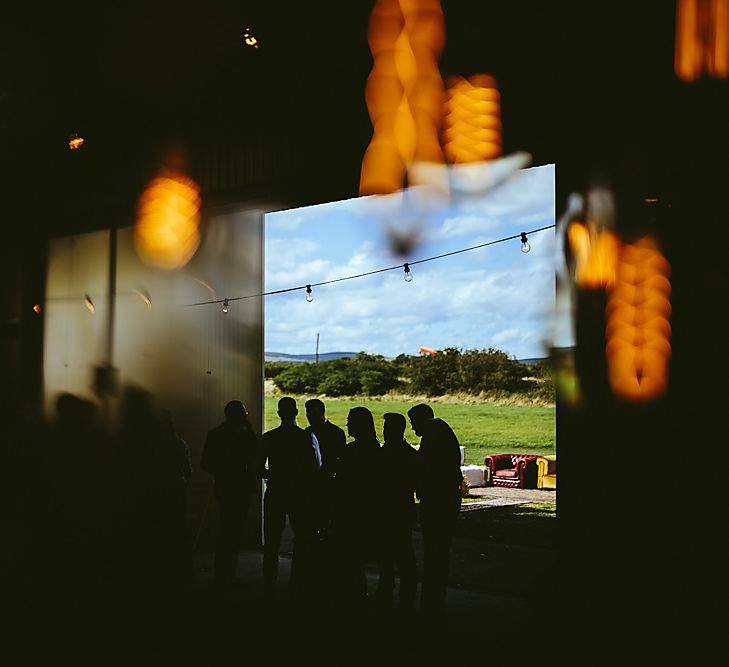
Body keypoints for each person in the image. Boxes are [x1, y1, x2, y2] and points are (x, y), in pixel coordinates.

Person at [260, 396, 321, 601]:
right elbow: (316, 467)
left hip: (276, 492)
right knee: (301, 539)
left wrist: (274, 475)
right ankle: (297, 583)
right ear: (296, 413)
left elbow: (258, 469)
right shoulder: (306, 437)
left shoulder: (269, 437)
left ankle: (269, 583)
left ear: (279, 413)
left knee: (272, 542)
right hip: (299, 494)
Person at [407, 403, 463, 623]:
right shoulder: (439, 429)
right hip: (446, 498)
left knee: (435, 547)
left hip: (439, 501)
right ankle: (434, 588)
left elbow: (424, 463)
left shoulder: (431, 431)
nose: (412, 428)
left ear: (421, 419)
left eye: (413, 423)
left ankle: (433, 593)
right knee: (439, 547)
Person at [200, 400, 260, 590]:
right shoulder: (245, 434)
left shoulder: (216, 434)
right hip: (237, 488)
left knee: (229, 529)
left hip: (227, 488)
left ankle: (224, 572)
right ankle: (226, 572)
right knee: (231, 530)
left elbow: (206, 463)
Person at [330, 406, 381, 611]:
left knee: (349, 560)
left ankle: (351, 599)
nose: (347, 424)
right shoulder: (374, 451)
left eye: (351, 421)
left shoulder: (351, 452)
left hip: (350, 513)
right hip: (362, 512)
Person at [371, 412, 418, 612]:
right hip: (400, 509)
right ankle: (402, 593)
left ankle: (391, 590)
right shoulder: (408, 454)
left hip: (391, 510)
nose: (385, 432)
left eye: (387, 428)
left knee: (394, 554)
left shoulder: (387, 454)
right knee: (397, 553)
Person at [304, 398, 346, 537]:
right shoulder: (336, 432)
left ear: (321, 413)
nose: (309, 417)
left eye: (312, 414)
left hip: (327, 482)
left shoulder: (310, 432)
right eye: (308, 414)